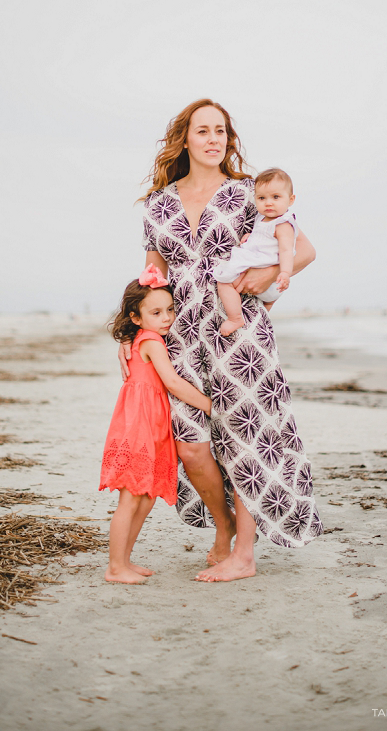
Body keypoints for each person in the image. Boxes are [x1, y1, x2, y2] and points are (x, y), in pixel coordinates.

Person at [120, 98, 322, 583]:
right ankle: (225, 526)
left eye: (221, 131)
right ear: (184, 138)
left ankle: (244, 555)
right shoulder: (158, 204)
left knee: (244, 441)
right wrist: (133, 334)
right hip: (180, 332)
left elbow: (304, 247)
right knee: (192, 445)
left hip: (239, 332)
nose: (214, 139)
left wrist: (268, 274)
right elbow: (153, 276)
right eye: (203, 130)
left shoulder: (248, 193)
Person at [101, 266, 212, 584]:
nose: (167, 318)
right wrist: (209, 406)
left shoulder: (140, 337)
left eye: (170, 310)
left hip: (151, 423)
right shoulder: (150, 341)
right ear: (136, 317)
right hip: (139, 425)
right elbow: (173, 383)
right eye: (156, 312)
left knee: (146, 496)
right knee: (131, 497)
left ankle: (124, 560)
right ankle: (115, 567)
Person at [213, 167, 298, 335]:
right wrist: (249, 238)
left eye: (275, 197)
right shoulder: (262, 218)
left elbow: (287, 250)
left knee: (224, 281)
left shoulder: (283, 224)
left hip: (265, 274)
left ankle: (235, 317)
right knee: (262, 309)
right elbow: (263, 238)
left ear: (291, 200)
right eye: (261, 198)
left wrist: (286, 272)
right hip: (271, 290)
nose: (268, 202)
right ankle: (264, 313)